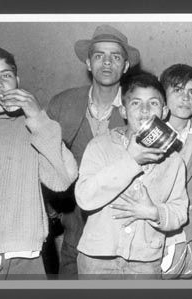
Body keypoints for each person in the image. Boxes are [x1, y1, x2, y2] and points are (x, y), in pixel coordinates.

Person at [0, 43, 78, 279]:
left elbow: (62, 181)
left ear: (17, 80)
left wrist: (38, 117)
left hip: (23, 259)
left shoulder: (34, 125)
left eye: (5, 76)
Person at [46, 24, 140, 277]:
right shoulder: (62, 104)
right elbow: (43, 157)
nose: (107, 63)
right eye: (99, 56)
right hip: (73, 231)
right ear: (88, 63)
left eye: (115, 57)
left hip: (122, 234)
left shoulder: (139, 107)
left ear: (126, 65)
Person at [74, 72, 189, 279]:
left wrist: (154, 212)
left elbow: (180, 211)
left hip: (145, 262)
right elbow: (84, 197)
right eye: (136, 103)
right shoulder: (100, 146)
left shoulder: (174, 161)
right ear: (124, 111)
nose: (145, 110)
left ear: (164, 112)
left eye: (153, 103)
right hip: (97, 259)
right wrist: (131, 160)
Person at [159, 64, 192, 278]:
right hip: (155, 235)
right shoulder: (147, 133)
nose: (185, 98)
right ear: (163, 95)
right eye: (178, 90)